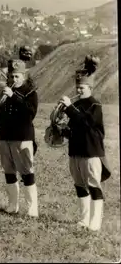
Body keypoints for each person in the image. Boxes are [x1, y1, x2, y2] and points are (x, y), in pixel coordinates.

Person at [59, 55, 111, 231]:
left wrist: (70, 108)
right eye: (77, 87)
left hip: (91, 153)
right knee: (80, 186)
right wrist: (61, 130)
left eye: (81, 88)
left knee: (94, 186)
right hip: (75, 151)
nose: (78, 91)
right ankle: (83, 220)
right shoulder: (78, 104)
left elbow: (86, 124)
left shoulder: (95, 105)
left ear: (90, 87)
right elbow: (75, 128)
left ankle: (95, 223)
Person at [0, 59, 39, 217]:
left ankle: (32, 209)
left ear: (24, 76)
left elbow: (29, 114)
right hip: (4, 136)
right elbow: (1, 113)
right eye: (12, 76)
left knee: (27, 173)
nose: (14, 79)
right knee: (9, 172)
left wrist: (13, 96)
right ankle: (13, 205)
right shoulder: (6, 92)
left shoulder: (31, 93)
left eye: (17, 76)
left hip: (22, 138)